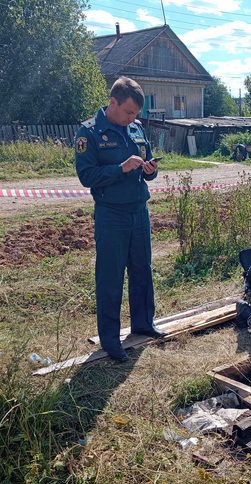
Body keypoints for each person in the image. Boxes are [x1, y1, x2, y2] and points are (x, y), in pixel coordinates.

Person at [75, 76, 165, 362]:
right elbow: (86, 177)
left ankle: (143, 323)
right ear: (112, 102)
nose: (131, 118)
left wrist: (150, 170)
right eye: (127, 112)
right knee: (110, 277)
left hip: (139, 211)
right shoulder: (89, 132)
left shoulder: (136, 129)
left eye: (136, 114)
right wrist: (120, 168)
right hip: (111, 215)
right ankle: (110, 339)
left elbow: (149, 167)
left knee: (142, 271)